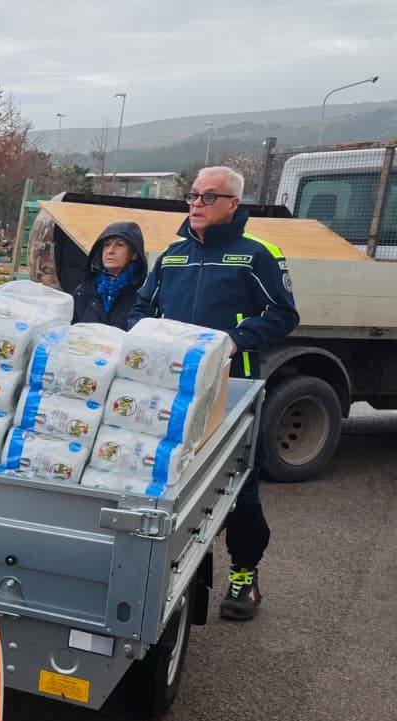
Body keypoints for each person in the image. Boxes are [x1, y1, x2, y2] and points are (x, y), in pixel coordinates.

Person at [129, 165, 300, 621]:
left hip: (231, 389)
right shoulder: (173, 256)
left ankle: (245, 573)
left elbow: (283, 315)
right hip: (172, 390)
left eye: (208, 197)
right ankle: (165, 570)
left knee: (237, 486)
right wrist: (148, 339)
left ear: (232, 205)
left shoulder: (257, 254)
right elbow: (142, 309)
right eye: (193, 196)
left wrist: (234, 341)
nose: (197, 204)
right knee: (169, 481)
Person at [70, 221, 146, 330]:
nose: (110, 251)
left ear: (134, 254)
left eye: (119, 245)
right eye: (106, 245)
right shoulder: (83, 292)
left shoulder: (143, 295)